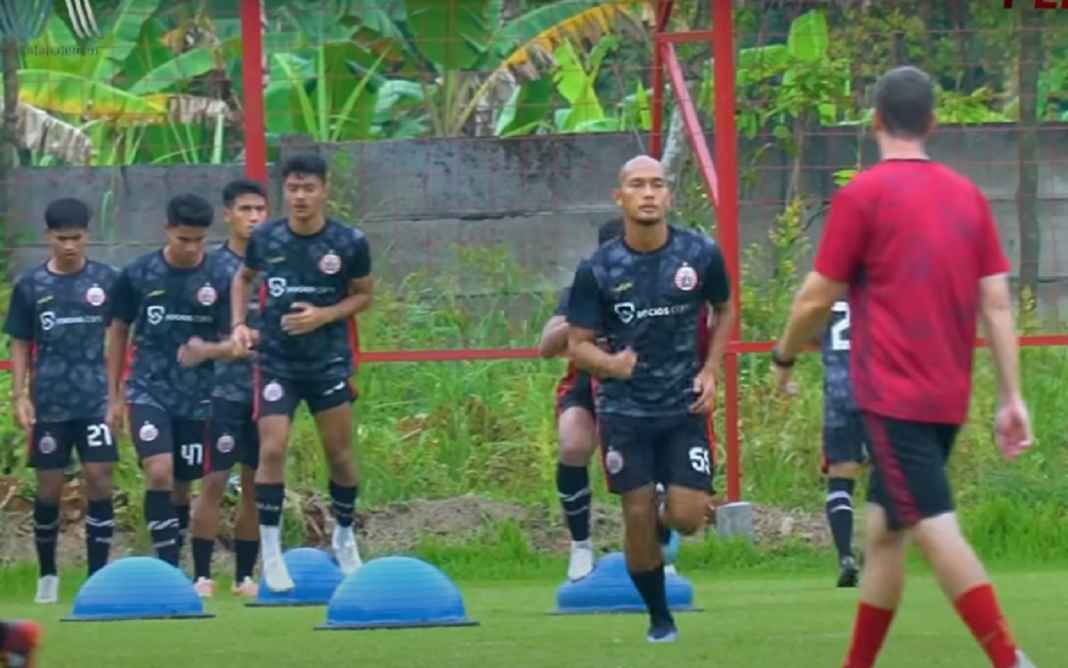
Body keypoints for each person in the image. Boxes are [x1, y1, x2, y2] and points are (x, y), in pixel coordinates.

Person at [771, 66, 1035, 668]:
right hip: (948, 396)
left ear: (875, 121)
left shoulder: (863, 195)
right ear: (934, 123)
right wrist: (1010, 396)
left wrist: (784, 356)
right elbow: (995, 302)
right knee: (884, 532)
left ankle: (1009, 658)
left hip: (892, 398)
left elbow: (816, 297)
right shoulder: (967, 196)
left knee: (934, 528)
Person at [566, 155, 732, 643]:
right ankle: (660, 618)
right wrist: (611, 365)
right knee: (635, 515)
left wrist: (710, 370)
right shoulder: (597, 269)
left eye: (657, 184)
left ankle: (664, 521)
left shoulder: (699, 254)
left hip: (683, 407)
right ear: (620, 198)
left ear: (668, 196)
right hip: (624, 412)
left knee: (686, 517)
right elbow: (577, 344)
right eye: (637, 185)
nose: (648, 193)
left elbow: (723, 308)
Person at [231, 154, 374, 592]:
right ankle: (272, 553)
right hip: (276, 362)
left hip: (328, 361)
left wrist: (324, 315)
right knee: (270, 450)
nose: (300, 197)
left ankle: (345, 536)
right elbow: (243, 279)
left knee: (341, 455)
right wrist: (239, 324)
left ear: (324, 190)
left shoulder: (348, 242)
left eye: (308, 188)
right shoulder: (267, 237)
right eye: (292, 189)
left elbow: (364, 295)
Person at [3, 199, 119, 603]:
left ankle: (97, 578)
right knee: (49, 488)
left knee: (100, 478)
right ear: (47, 238)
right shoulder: (32, 286)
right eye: (61, 238)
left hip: (95, 400)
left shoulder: (106, 281)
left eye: (77, 237)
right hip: (50, 401)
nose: (69, 245)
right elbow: (20, 342)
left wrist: (117, 395)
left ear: (87, 236)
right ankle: (48, 576)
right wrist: (20, 396)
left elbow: (121, 336)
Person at [107, 193, 224, 567]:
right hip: (148, 388)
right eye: (183, 239)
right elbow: (118, 330)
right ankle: (166, 566)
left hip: (199, 395)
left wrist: (207, 350)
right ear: (167, 230)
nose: (191, 248)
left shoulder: (221, 276)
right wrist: (114, 394)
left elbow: (235, 338)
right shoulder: (138, 274)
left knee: (181, 483)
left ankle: (175, 560)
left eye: (198, 240)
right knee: (158, 470)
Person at [183, 179, 269, 598]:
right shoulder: (211, 269)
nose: (253, 217)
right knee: (214, 480)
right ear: (228, 215)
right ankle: (200, 574)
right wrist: (225, 347)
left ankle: (244, 576)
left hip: (266, 391)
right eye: (246, 209)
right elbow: (193, 340)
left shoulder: (277, 264)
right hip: (219, 391)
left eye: (260, 210)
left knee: (257, 483)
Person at [538, 219, 623, 582]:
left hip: (641, 387)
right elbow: (545, 347)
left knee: (646, 468)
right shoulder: (583, 288)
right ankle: (580, 545)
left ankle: (660, 552)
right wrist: (579, 321)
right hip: (586, 383)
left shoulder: (657, 284)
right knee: (573, 444)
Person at [819, 299, 867, 587]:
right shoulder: (880, 285)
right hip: (879, 389)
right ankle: (875, 555)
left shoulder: (827, 289)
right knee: (885, 479)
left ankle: (846, 556)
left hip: (838, 392)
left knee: (840, 478)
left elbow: (808, 324)